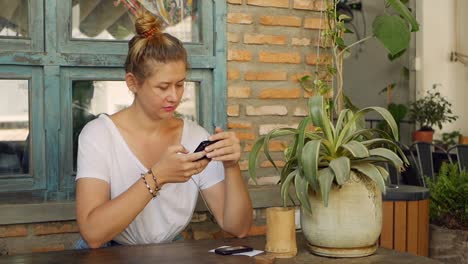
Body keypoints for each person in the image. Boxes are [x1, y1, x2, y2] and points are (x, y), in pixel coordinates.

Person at [75, 11, 252, 249]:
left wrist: (231, 166)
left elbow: (238, 228)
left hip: (169, 250)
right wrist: (158, 176)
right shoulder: (98, 135)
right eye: (163, 86)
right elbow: (93, 234)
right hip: (108, 253)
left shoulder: (195, 136)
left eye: (180, 84)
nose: (174, 96)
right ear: (132, 83)